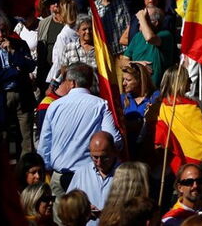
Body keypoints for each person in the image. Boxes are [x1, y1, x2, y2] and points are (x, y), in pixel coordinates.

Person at [39, 63, 123, 197]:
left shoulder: (54, 106)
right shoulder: (100, 105)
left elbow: (44, 143)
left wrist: (46, 170)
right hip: (88, 177)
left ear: (72, 83)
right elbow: (115, 139)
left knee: (60, 217)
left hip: (60, 177)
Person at [0, 15, 36, 158]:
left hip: (22, 96)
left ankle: (26, 171)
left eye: (3, 31)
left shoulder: (20, 45)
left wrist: (13, 51)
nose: (0, 35)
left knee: (26, 138)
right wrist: (14, 71)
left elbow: (29, 66)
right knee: (3, 137)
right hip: (1, 98)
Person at [155, 65, 202, 175]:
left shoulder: (161, 106)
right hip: (194, 156)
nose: (190, 81)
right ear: (181, 83)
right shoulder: (190, 108)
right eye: (187, 79)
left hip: (174, 158)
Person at [68, 131, 119, 223]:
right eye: (95, 157)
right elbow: (68, 205)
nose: (99, 163)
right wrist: (83, 209)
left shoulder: (127, 175)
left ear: (114, 151)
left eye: (104, 157)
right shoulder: (81, 173)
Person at [120, 5, 173, 86]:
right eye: (140, 20)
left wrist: (141, 18)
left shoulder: (165, 35)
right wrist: (136, 65)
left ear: (155, 23)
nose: (139, 22)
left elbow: (150, 38)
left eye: (145, 19)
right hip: (138, 88)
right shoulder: (138, 36)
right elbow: (122, 61)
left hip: (156, 90)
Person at [120, 62, 158, 157]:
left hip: (149, 149)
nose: (124, 83)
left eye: (128, 80)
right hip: (128, 150)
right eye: (123, 79)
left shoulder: (155, 97)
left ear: (140, 80)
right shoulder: (122, 99)